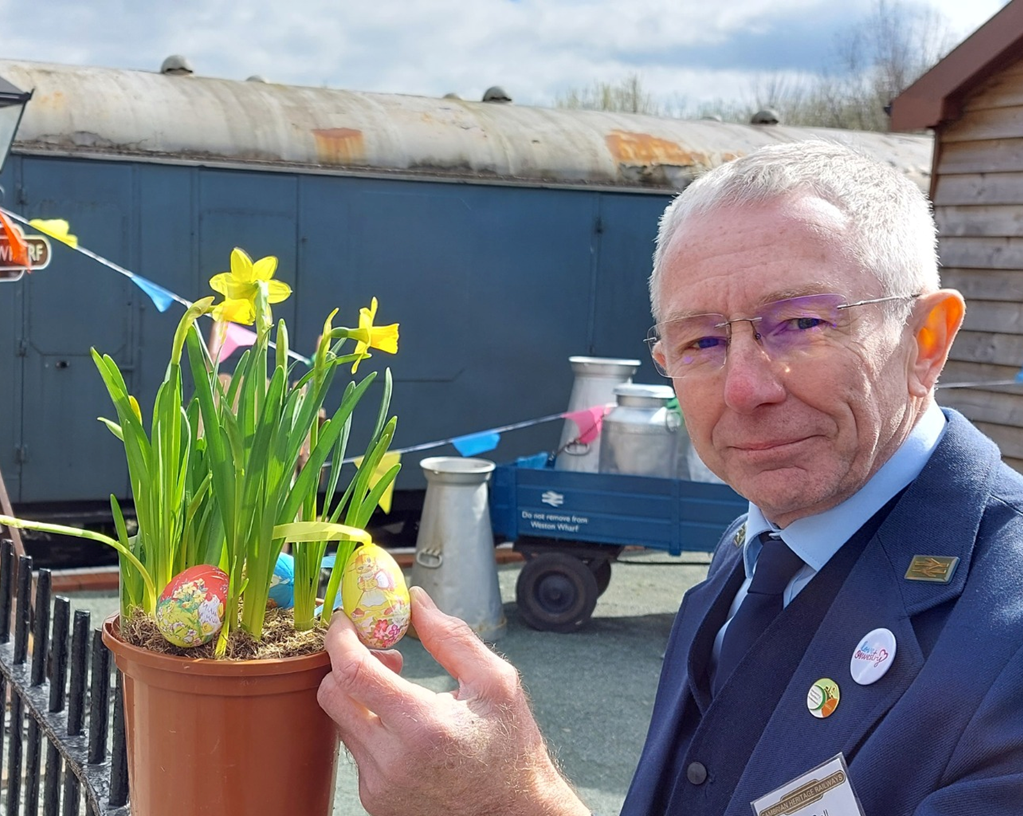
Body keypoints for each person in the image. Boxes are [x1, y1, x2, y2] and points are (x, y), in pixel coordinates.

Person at [318, 141, 1023, 815]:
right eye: (701, 342)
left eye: (801, 322)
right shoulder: (749, 556)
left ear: (926, 339)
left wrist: (509, 804)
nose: (744, 388)